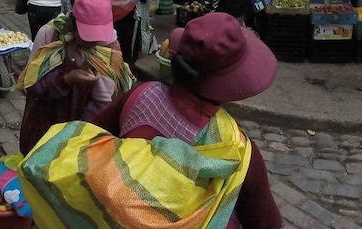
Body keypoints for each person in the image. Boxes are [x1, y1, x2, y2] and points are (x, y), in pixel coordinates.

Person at [91, 12, 282, 228]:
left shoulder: (139, 96)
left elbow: (91, 141)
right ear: (231, 83)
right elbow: (267, 224)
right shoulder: (236, 149)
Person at [17, 0, 134, 155]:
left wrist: (74, 141)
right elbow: (32, 85)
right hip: (43, 123)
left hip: (80, 132)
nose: (93, 42)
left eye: (98, 36)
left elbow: (101, 102)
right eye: (88, 34)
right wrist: (65, 80)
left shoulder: (108, 48)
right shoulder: (50, 35)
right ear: (74, 23)